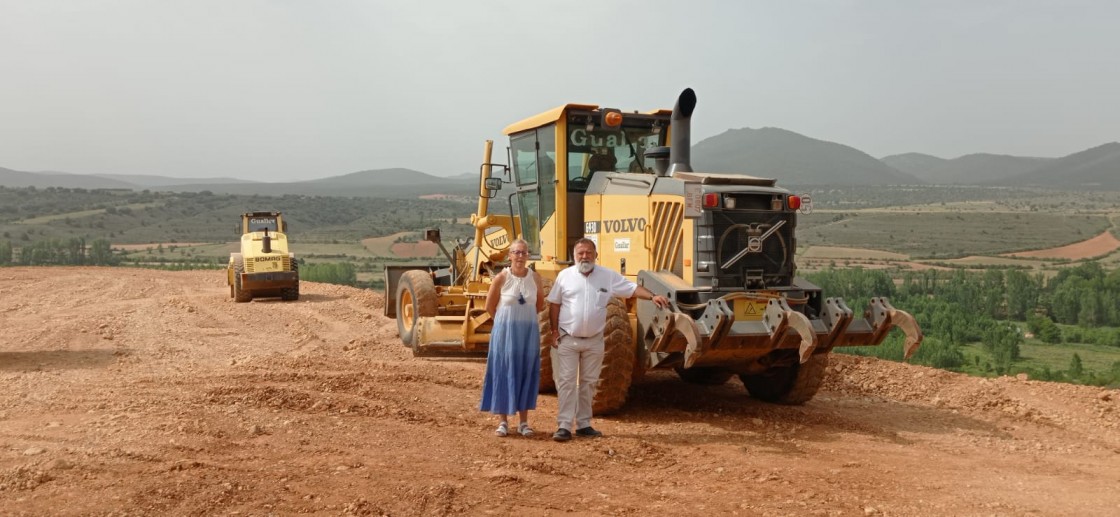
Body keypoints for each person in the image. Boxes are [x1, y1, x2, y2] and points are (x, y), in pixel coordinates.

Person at [546, 238, 669, 442]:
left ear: (596, 255)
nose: (584, 256)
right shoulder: (564, 276)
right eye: (580, 253)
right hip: (569, 338)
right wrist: (553, 331)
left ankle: (584, 424)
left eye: (588, 252)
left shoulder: (607, 276)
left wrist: (652, 296)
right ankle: (564, 426)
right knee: (567, 383)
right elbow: (554, 304)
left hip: (595, 340)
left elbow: (631, 288)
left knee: (589, 383)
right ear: (574, 256)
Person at [479, 239, 546, 437]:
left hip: (527, 333)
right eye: (516, 252)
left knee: (525, 371)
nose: (520, 256)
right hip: (505, 333)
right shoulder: (501, 277)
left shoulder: (536, 278)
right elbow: (489, 307)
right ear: (509, 255)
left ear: (528, 256)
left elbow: (539, 305)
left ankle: (524, 423)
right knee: (503, 371)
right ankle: (503, 422)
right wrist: (504, 323)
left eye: (524, 253)